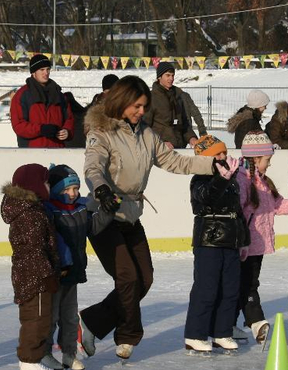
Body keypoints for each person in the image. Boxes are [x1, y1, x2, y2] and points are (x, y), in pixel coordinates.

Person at [79, 75, 216, 361]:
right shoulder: (101, 132)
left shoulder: (147, 134)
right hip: (104, 215)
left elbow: (175, 161)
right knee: (128, 278)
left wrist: (212, 165)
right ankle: (128, 336)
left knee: (145, 279)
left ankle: (90, 322)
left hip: (131, 215)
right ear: (123, 102)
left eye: (144, 107)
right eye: (137, 106)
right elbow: (93, 166)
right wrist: (101, 190)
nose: (142, 112)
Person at [235, 131, 288, 344]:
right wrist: (240, 243)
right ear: (255, 159)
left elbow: (278, 205)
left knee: (244, 284)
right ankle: (256, 322)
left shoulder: (264, 182)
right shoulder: (242, 181)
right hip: (245, 247)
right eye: (267, 160)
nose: (269, 164)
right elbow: (237, 214)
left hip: (258, 246)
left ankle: (229, 323)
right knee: (248, 285)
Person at [40, 164, 112, 370]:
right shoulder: (50, 210)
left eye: (76, 188)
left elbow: (93, 227)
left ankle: (69, 354)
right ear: (55, 190)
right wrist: (63, 262)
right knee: (51, 317)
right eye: (67, 190)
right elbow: (53, 241)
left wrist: (107, 212)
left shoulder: (80, 208)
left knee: (70, 318)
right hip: (56, 273)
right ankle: (44, 353)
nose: (73, 194)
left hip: (73, 273)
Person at [183, 135, 247, 355]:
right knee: (206, 288)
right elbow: (207, 197)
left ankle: (222, 332)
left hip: (231, 239)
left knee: (230, 289)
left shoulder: (232, 179)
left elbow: (238, 211)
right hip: (209, 240)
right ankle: (195, 334)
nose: (223, 157)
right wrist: (221, 179)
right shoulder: (200, 179)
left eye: (224, 153)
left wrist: (244, 240)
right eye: (217, 154)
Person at [1, 164, 60, 370]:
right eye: (45, 182)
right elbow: (34, 248)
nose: (49, 186)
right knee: (36, 320)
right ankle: (29, 361)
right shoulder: (30, 214)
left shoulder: (32, 209)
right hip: (35, 276)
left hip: (29, 273)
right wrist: (47, 274)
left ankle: (35, 358)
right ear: (34, 185)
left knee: (38, 318)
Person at [11, 54, 74, 148]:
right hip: (32, 151)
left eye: (48, 69)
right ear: (33, 72)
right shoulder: (22, 95)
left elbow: (69, 119)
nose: (46, 73)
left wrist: (67, 131)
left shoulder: (59, 95)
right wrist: (40, 129)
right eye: (42, 70)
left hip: (58, 150)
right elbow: (19, 125)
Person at [143, 62, 208, 149]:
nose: (171, 78)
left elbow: (184, 124)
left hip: (179, 148)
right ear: (159, 77)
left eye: (173, 75)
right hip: (160, 151)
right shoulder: (151, 98)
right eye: (168, 75)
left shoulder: (178, 96)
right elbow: (144, 128)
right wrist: (160, 143)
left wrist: (191, 138)